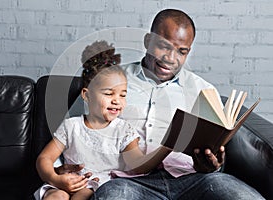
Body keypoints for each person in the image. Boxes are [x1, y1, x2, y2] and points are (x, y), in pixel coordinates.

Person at [59, 9, 264, 199]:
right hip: (129, 180)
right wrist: (59, 168)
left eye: (181, 52)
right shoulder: (109, 80)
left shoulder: (203, 90)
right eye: (164, 46)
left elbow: (214, 151)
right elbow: (71, 129)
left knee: (238, 193)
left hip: (192, 179)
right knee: (114, 194)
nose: (170, 59)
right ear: (148, 41)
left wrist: (213, 165)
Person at [34, 40, 173, 200]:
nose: (117, 101)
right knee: (55, 196)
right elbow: (45, 158)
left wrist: (166, 147)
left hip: (98, 187)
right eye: (109, 94)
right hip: (65, 180)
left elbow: (138, 164)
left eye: (123, 95)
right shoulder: (71, 126)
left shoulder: (124, 131)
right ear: (86, 95)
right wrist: (55, 179)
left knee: (83, 196)